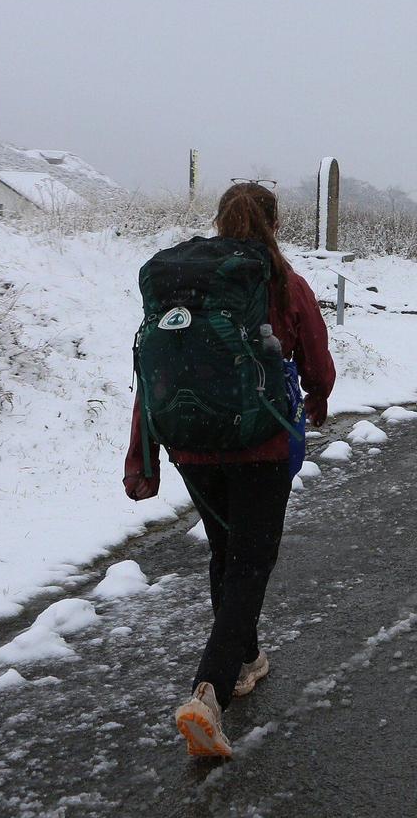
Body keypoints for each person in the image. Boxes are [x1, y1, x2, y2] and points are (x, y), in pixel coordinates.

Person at [123, 182, 336, 759]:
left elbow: (155, 373)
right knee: (252, 561)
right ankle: (209, 691)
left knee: (225, 550)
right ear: (274, 221)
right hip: (259, 446)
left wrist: (141, 454)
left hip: (189, 446)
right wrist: (315, 405)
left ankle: (246, 658)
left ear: (218, 221)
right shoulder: (282, 283)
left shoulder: (183, 288)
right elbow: (317, 362)